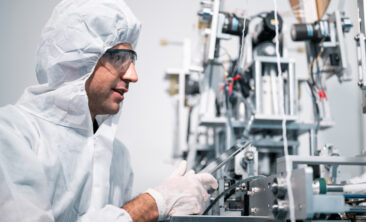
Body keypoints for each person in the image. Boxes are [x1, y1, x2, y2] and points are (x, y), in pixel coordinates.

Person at [0, 0, 218, 221]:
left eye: (132, 60)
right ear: (76, 60)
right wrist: (154, 203)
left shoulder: (117, 156)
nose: (133, 76)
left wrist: (166, 208)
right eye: (118, 58)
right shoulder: (12, 134)